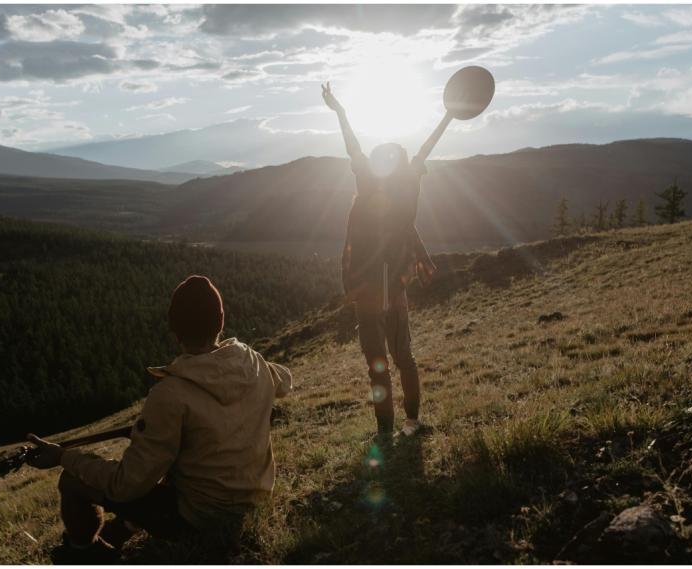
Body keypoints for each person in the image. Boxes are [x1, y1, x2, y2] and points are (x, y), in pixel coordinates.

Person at [26, 275, 292, 562]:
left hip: (201, 519)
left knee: (71, 480)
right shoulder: (254, 363)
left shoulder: (170, 394)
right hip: (256, 501)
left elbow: (126, 484)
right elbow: (285, 380)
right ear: (221, 321)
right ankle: (120, 532)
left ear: (174, 331)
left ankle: (86, 554)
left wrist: (64, 456)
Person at [322, 82, 443, 438]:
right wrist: (449, 116)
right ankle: (412, 422)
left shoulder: (367, 183)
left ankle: (385, 431)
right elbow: (427, 148)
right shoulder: (407, 188)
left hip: (368, 288)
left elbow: (353, 147)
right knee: (404, 357)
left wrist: (340, 111)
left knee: (378, 365)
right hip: (395, 287)